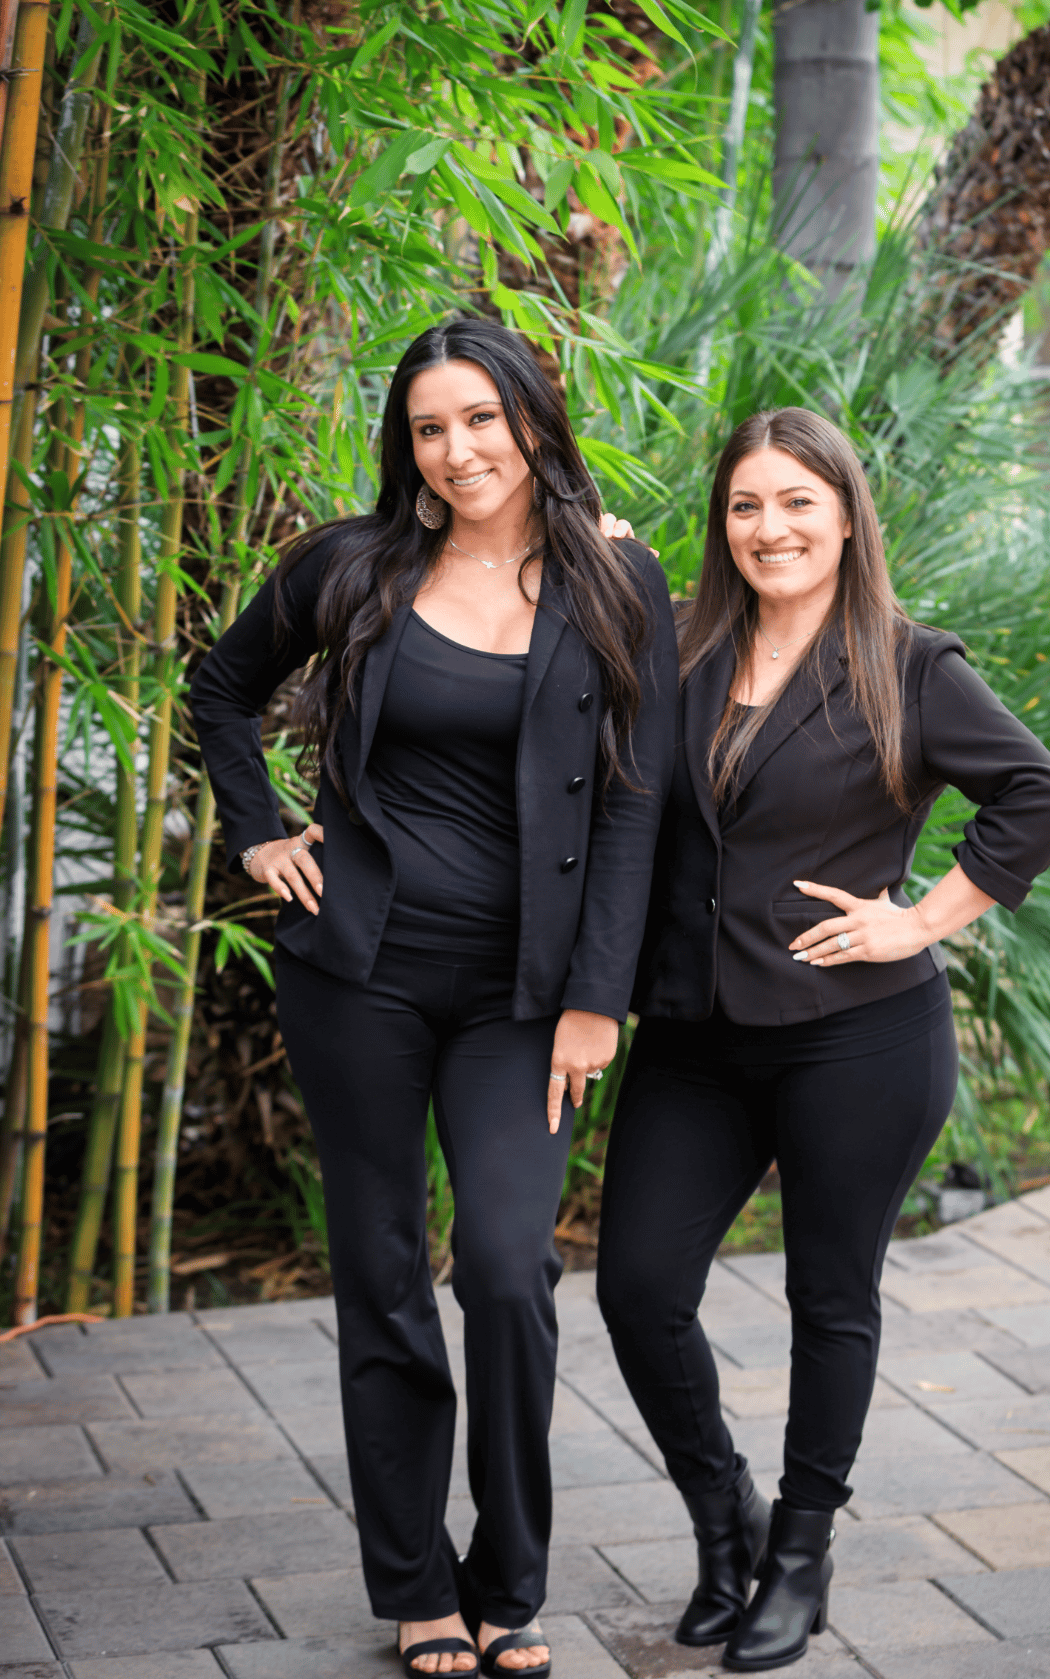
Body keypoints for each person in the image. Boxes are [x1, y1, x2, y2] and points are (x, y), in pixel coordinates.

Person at [189, 318, 676, 1679]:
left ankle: (508, 1576)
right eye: (427, 426)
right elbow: (220, 689)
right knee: (383, 1269)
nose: (456, 449)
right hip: (361, 975)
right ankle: (415, 1582)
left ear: (532, 418)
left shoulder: (615, 579)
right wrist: (256, 830)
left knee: (512, 1270)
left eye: (480, 417)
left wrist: (599, 1001)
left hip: (525, 995)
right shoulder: (351, 567)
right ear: (404, 444)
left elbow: (636, 804)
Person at [595, 407, 1050, 1672]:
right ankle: (726, 1522)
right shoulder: (685, 649)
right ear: (724, 525)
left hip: (856, 1038)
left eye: (797, 502)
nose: (771, 528)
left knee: (830, 1294)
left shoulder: (906, 663)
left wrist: (920, 919)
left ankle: (799, 1554)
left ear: (847, 514)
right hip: (695, 1031)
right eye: (747, 506)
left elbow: (1037, 793)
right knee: (637, 1286)